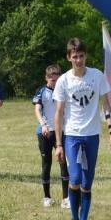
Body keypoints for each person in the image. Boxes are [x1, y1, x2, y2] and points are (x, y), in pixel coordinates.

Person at [53, 38, 111, 220]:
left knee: (87, 183)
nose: (78, 60)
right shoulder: (63, 80)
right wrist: (58, 144)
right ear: (68, 58)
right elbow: (59, 113)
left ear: (85, 56)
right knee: (74, 179)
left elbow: (106, 105)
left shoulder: (97, 76)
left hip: (92, 135)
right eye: (75, 57)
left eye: (81, 56)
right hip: (72, 134)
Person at [32, 64, 69, 208]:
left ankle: (66, 198)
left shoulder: (64, 90)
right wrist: (43, 125)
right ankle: (47, 197)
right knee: (46, 163)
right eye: (52, 80)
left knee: (64, 162)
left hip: (62, 131)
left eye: (57, 80)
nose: (55, 83)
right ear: (46, 78)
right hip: (45, 132)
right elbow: (37, 109)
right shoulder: (41, 91)